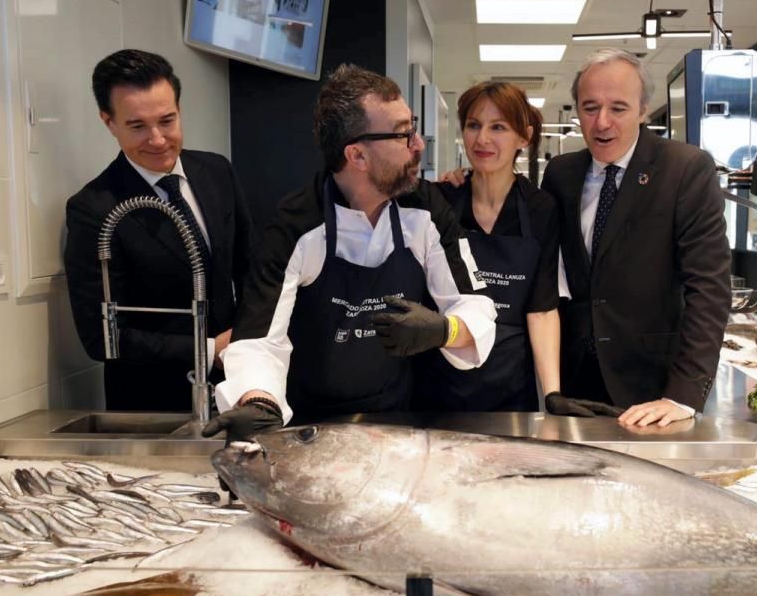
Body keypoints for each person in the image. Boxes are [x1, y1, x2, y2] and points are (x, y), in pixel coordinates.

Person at [205, 64, 497, 438]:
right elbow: (261, 339)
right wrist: (259, 401)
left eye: (413, 126)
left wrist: (445, 329)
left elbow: (474, 303)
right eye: (403, 134)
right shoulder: (295, 226)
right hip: (307, 424)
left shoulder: (425, 210)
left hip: (398, 420)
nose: (419, 144)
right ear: (357, 155)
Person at [541, 48, 731, 427]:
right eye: (590, 107)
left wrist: (683, 395)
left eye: (619, 108)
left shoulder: (685, 169)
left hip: (654, 387)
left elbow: (709, 287)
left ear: (644, 110)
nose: (602, 123)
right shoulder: (561, 174)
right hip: (573, 381)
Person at [64, 49, 254, 411]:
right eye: (137, 127)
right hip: (152, 403)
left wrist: (250, 342)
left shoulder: (216, 172)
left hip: (235, 385)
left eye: (167, 121)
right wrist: (211, 349)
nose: (157, 139)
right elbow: (101, 338)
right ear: (109, 123)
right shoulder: (94, 208)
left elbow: (251, 267)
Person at [415, 82, 619, 416]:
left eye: (498, 127)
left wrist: (552, 393)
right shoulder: (441, 201)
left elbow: (541, 307)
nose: (482, 139)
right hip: (438, 379)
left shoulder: (541, 209)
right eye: (473, 125)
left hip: (509, 384)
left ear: (523, 137)